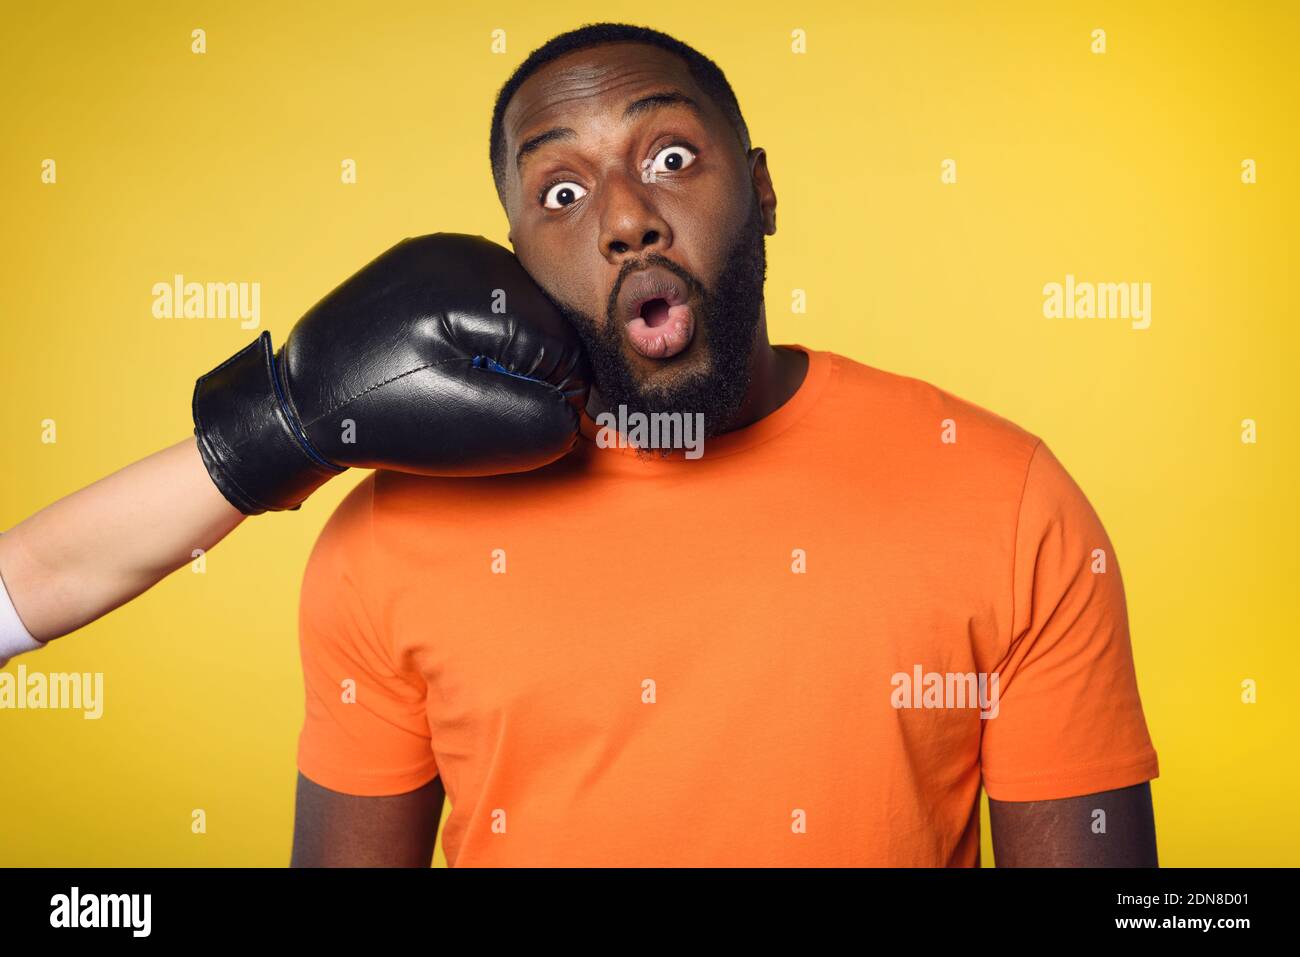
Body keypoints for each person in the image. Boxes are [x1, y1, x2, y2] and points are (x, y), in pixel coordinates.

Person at [1, 22, 1159, 867]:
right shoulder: (393, 537)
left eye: (667, 158)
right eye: (559, 192)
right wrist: (289, 426)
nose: (622, 215)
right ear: (512, 253)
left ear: (759, 192)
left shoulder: (1003, 497)